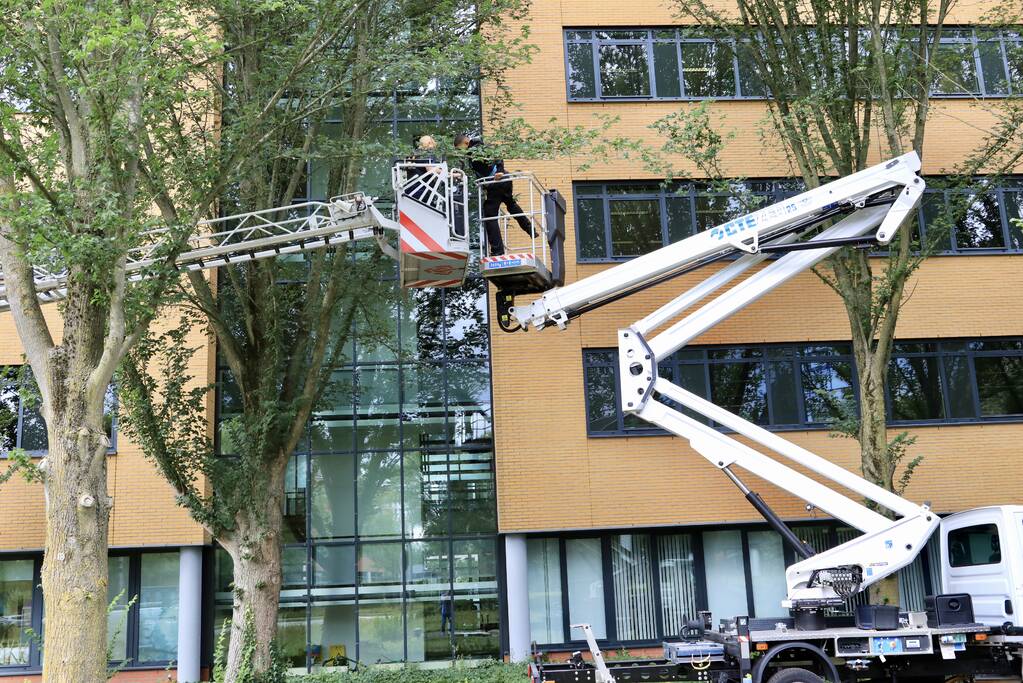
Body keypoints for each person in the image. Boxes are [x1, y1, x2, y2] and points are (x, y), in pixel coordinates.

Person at [454, 134, 534, 256]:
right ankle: (530, 229)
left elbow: (496, 154)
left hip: (497, 181)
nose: (461, 152)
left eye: (460, 149)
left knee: (489, 214)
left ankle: (497, 251)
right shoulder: (472, 151)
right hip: (499, 182)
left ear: (465, 143)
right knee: (511, 204)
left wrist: (500, 171)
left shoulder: (477, 146)